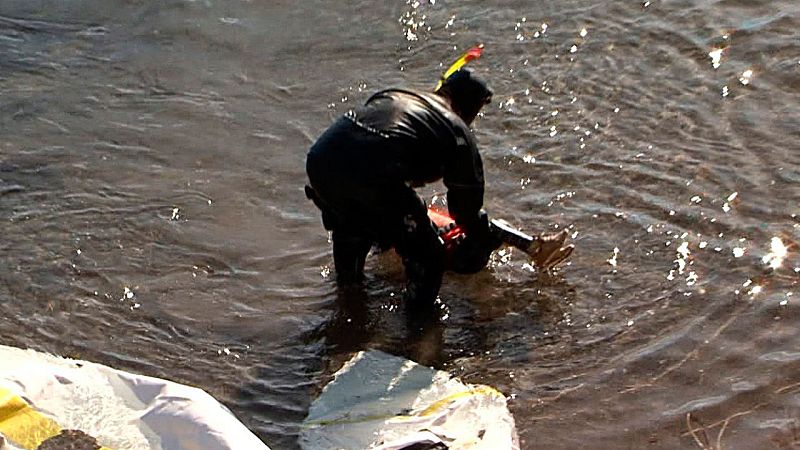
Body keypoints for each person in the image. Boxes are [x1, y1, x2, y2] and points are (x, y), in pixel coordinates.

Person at [305, 68, 497, 306]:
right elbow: (466, 210)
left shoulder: (394, 94)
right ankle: (418, 333)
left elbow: (374, 146)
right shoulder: (457, 130)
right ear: (471, 107)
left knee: (352, 228)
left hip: (321, 163)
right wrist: (483, 241)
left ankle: (348, 303)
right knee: (429, 257)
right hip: (374, 176)